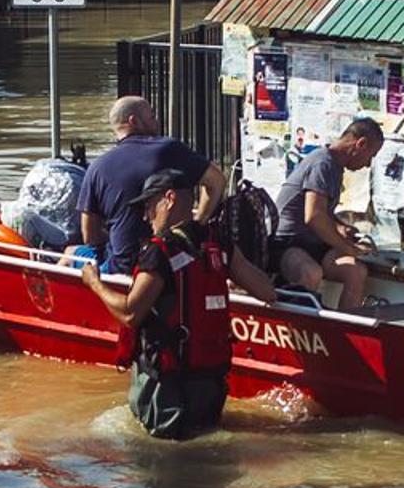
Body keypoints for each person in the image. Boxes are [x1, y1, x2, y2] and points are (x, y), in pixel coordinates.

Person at [81, 170, 277, 440]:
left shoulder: (159, 252)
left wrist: (94, 283)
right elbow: (267, 291)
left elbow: (129, 313)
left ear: (169, 199)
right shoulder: (217, 243)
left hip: (166, 389)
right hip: (211, 385)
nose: (145, 216)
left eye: (149, 206)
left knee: (160, 467)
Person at [76, 96, 225, 273]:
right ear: (134, 121)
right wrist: (198, 223)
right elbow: (217, 181)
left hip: (125, 266)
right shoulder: (168, 149)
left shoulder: (96, 168)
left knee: (70, 253)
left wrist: (117, 236)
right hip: (175, 258)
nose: (157, 122)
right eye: (152, 116)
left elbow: (90, 236)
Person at [266, 118, 385, 311]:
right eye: (371, 155)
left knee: (356, 272)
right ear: (360, 144)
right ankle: (302, 328)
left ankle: (346, 328)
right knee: (311, 273)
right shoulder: (323, 164)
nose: (368, 164)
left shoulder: (334, 166)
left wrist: (339, 226)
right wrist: (348, 248)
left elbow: (323, 212)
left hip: (314, 245)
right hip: (287, 243)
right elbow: (313, 217)